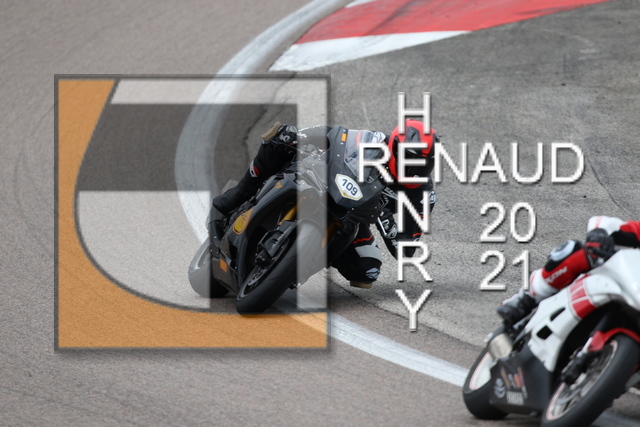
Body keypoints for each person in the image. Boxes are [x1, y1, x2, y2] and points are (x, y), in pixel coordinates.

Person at [212, 120, 438, 289]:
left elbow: (406, 249)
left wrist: (385, 218)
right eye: (411, 159)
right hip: (323, 180)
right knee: (280, 141)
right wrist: (300, 135)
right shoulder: (374, 141)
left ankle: (294, 269)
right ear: (395, 147)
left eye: (424, 164)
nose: (416, 170)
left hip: (353, 216)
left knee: (366, 272)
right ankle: (240, 194)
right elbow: (335, 134)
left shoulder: (423, 196)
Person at [498, 216, 640, 324]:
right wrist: (599, 233)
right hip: (621, 283)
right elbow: (602, 222)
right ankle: (528, 298)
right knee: (582, 252)